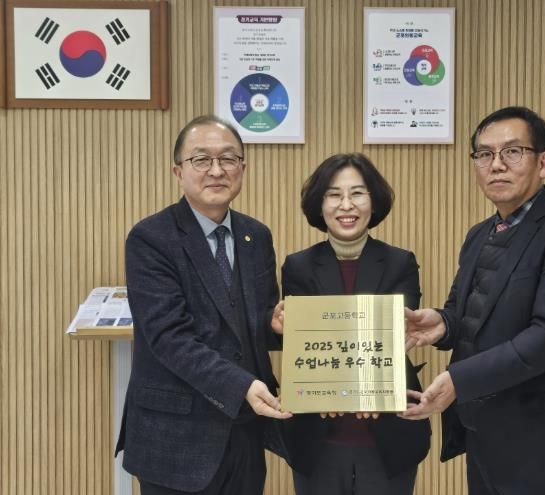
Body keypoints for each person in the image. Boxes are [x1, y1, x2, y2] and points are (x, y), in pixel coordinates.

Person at [402, 107, 545, 495]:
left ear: (543, 163)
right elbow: (469, 312)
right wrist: (442, 323)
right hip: (483, 431)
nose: (496, 165)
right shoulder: (479, 234)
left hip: (542, 442)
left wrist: (459, 380)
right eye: (484, 154)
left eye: (512, 151)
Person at [114, 115, 291, 495]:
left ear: (242, 168)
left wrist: (273, 325)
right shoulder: (150, 238)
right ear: (178, 171)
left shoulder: (256, 235)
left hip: (244, 431)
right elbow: (168, 338)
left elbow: (252, 322)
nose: (216, 170)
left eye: (228, 158)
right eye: (201, 159)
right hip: (174, 437)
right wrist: (242, 385)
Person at [276, 153, 431, 495]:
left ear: (373, 202)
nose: (346, 205)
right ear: (320, 205)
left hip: (389, 434)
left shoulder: (400, 262)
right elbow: (303, 343)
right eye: (334, 194)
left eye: (357, 193)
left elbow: (394, 334)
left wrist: (367, 389)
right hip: (317, 435)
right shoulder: (298, 266)